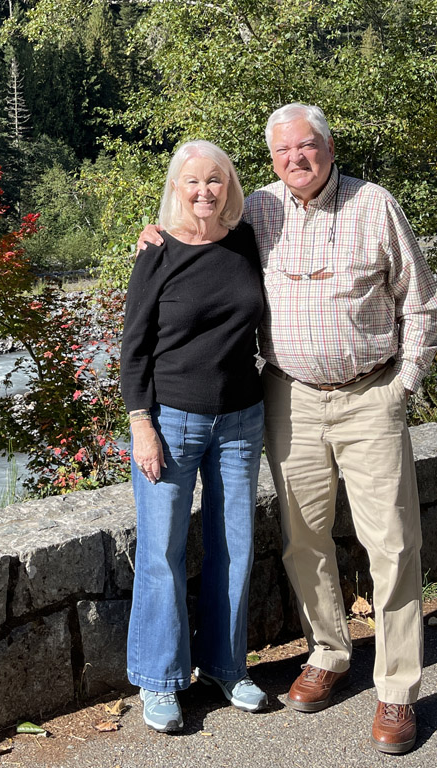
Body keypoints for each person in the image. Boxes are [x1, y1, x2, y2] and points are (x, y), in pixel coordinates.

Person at [136, 104, 437, 754]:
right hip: (289, 400)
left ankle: (396, 691)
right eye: (283, 151)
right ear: (270, 159)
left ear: (329, 147)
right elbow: (196, 227)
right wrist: (153, 237)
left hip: (369, 397)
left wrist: (404, 387)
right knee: (302, 541)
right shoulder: (258, 212)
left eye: (307, 147)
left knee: (390, 546)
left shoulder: (374, 205)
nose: (296, 159)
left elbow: (422, 302)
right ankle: (329, 653)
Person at [121, 140, 268, 733]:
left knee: (235, 545)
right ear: (176, 187)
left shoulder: (246, 240)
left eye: (216, 180)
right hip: (171, 421)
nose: (205, 191)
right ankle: (159, 679)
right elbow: (133, 347)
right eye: (193, 182)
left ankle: (227, 666)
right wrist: (141, 424)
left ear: (230, 185)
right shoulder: (156, 249)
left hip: (241, 419)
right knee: (162, 551)